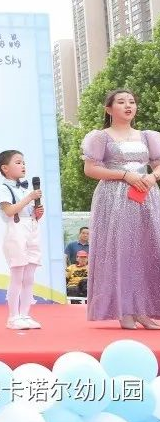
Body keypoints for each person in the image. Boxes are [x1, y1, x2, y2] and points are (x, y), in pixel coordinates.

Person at [81, 89, 160, 329]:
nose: (128, 106)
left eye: (132, 102)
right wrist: (124, 175)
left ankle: (143, 310)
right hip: (114, 197)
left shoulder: (147, 136)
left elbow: (158, 165)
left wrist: (152, 177)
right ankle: (123, 309)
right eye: (121, 102)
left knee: (147, 249)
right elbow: (90, 169)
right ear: (109, 109)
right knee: (121, 250)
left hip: (146, 195)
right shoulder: (100, 137)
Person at [0, 149, 46, 330]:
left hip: (31, 228)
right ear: (5, 168)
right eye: (18, 162)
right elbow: (10, 211)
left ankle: (25, 314)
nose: (23, 166)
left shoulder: (26, 189)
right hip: (16, 231)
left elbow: (29, 212)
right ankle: (13, 317)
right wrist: (29, 197)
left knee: (30, 276)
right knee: (17, 275)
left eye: (23, 162)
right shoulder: (4, 188)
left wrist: (37, 213)